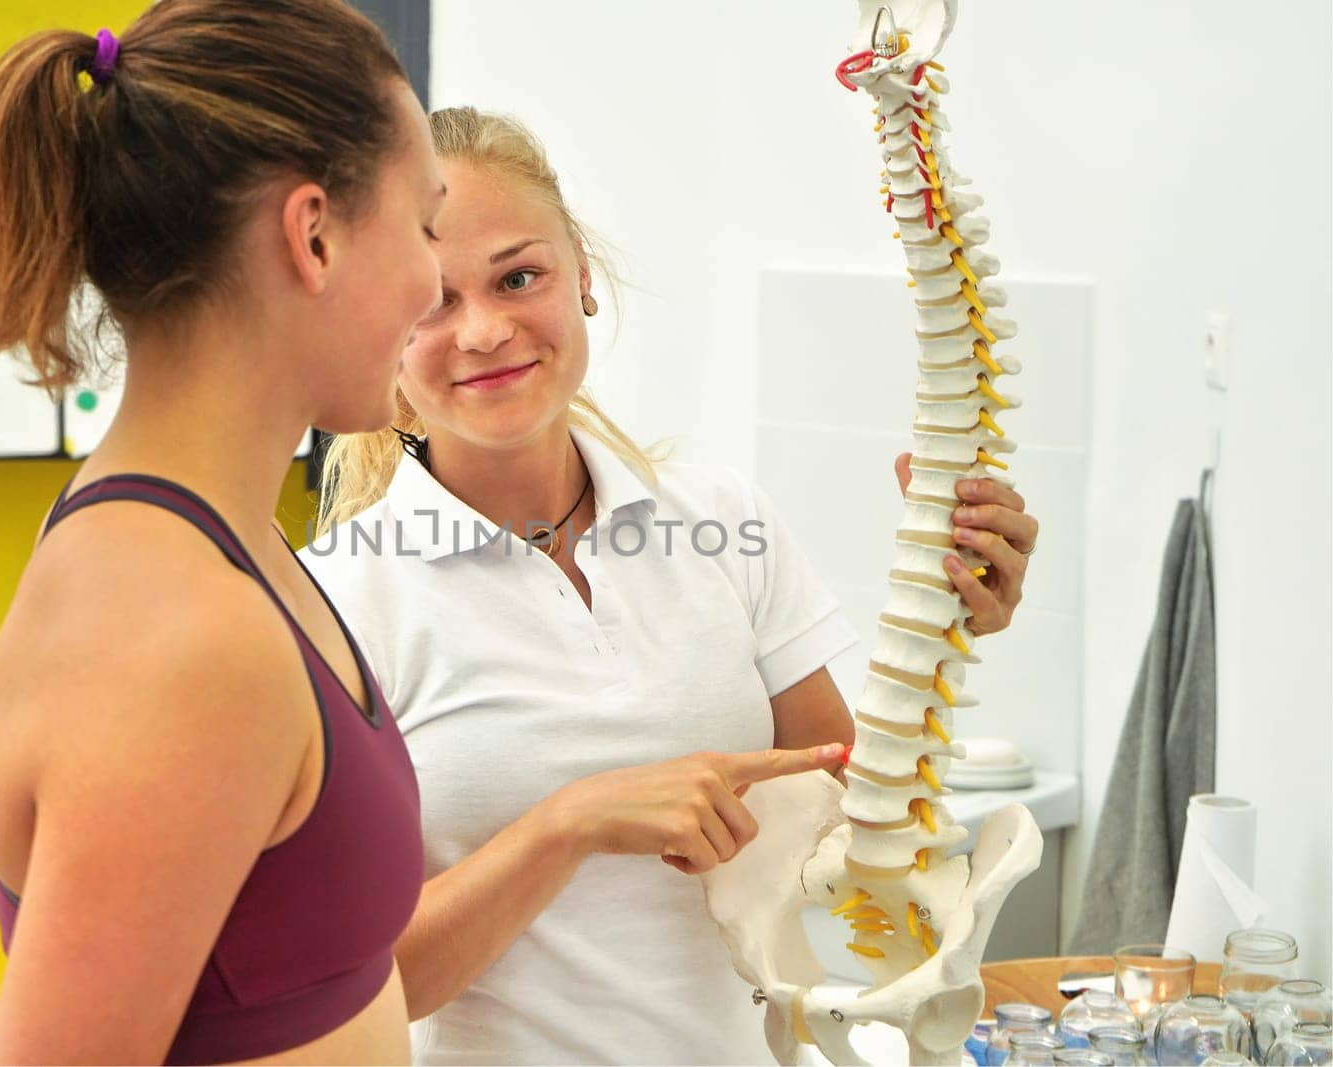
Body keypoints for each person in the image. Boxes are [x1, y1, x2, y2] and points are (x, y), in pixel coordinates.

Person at [303, 106, 1041, 1065]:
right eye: (433, 300)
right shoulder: (334, 601)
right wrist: (569, 824)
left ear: (585, 283)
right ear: (381, 325)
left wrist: (944, 619)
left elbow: (853, 822)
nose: (483, 330)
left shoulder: (722, 523)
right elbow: (353, 988)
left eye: (520, 277)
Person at [0, 2, 447, 1062]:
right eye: (424, 225)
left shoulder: (222, 550)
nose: (435, 284)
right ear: (315, 233)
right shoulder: (177, 634)